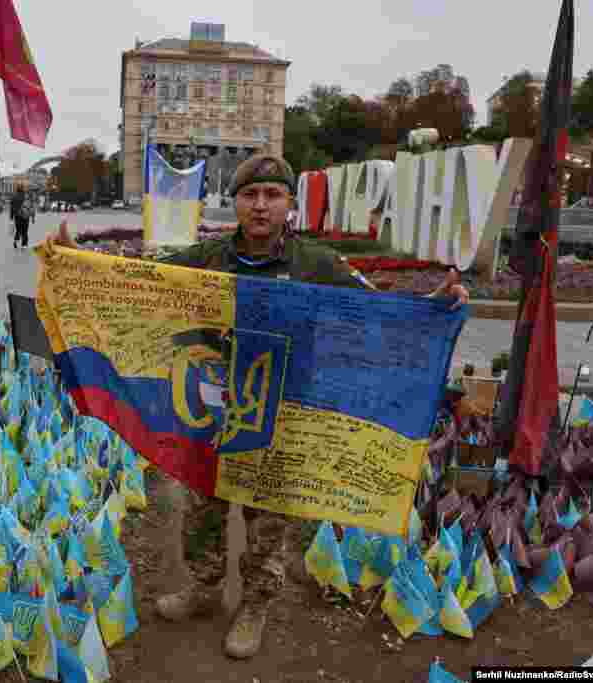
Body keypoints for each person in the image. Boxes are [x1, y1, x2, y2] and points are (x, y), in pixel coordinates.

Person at [45, 153, 468, 660]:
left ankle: (256, 604)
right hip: (213, 409)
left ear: (289, 203)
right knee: (203, 503)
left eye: (273, 195)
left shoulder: (317, 265)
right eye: (251, 195)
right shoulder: (208, 257)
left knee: (269, 516)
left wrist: (433, 305)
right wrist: (77, 262)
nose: (261, 206)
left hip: (285, 414)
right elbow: (138, 278)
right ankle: (203, 588)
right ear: (237, 202)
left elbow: (377, 309)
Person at [10, 184, 31, 249]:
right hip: (26, 216)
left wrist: (11, 217)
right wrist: (32, 217)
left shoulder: (14, 197)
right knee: (25, 230)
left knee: (18, 230)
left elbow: (12, 208)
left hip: (17, 216)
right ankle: (24, 245)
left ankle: (16, 241)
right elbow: (30, 207)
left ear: (17, 189)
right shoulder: (26, 196)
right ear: (23, 189)